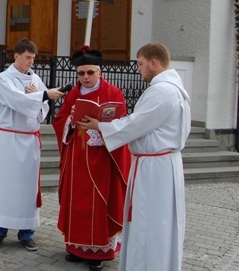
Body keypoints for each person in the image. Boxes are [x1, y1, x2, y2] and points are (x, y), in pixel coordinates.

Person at [79, 42, 191, 271]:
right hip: (163, 164)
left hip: (154, 168)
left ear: (153, 62)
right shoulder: (176, 88)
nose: (138, 69)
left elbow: (136, 124)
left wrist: (100, 125)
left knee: (148, 222)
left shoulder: (162, 91)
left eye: (140, 64)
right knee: (160, 223)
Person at [51, 48, 130, 271]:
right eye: (81, 73)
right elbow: (59, 120)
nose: (85, 77)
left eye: (90, 72)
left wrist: (99, 129)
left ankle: (100, 251)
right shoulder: (73, 94)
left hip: (102, 158)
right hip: (76, 156)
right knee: (76, 202)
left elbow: (122, 124)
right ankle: (75, 247)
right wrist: (71, 121)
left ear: (99, 71)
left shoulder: (113, 93)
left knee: (98, 201)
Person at [0, 39, 66, 250]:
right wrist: (41, 96)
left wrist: (39, 97)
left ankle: (26, 232)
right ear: (16, 56)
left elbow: (42, 109)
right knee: (6, 185)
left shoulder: (36, 79)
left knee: (27, 187)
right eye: (27, 57)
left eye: (33, 58)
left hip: (30, 139)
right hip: (10, 139)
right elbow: (16, 101)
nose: (31, 62)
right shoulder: (4, 78)